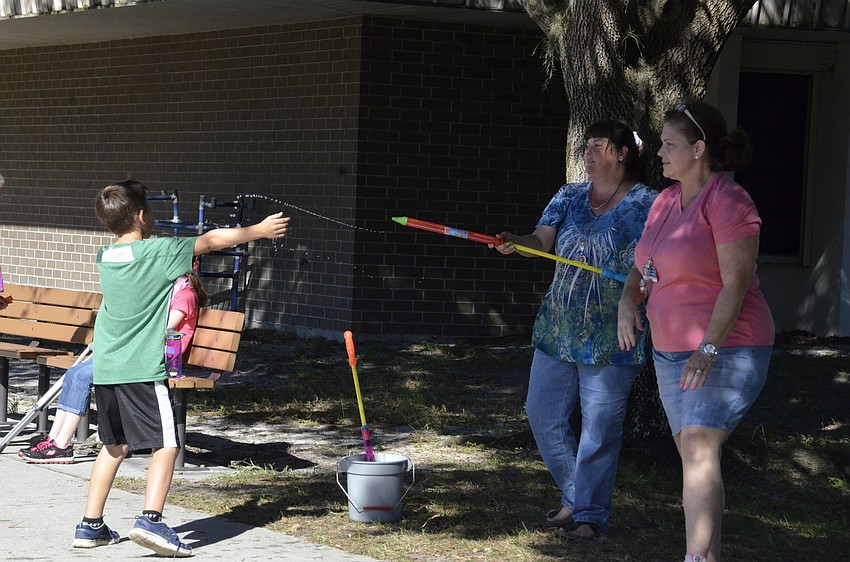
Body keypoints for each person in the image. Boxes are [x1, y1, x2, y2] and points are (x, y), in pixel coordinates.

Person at [72, 180, 289, 557]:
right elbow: (210, 240)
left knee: (114, 446)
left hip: (107, 369)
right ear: (142, 215)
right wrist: (258, 231)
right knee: (167, 444)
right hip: (142, 367)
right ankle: (151, 521)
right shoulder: (159, 251)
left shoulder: (104, 256)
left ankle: (91, 526)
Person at [617, 102, 774, 562]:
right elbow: (641, 268)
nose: (659, 153)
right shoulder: (665, 201)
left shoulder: (729, 200)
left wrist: (708, 347)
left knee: (701, 448)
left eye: (669, 144)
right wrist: (630, 299)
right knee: (694, 458)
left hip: (727, 347)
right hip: (670, 352)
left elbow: (737, 282)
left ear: (699, 148)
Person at [493, 120, 657, 539]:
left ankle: (590, 516)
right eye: (586, 145)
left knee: (599, 431)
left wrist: (634, 295)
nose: (588, 152)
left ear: (621, 154)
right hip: (558, 329)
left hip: (612, 335)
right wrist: (517, 241)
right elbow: (541, 240)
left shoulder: (649, 204)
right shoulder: (568, 195)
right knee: (542, 413)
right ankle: (578, 498)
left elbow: (657, 264)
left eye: (598, 146)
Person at [19, 272, 208, 464]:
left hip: (150, 355)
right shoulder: (171, 291)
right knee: (73, 373)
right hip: (132, 350)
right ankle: (54, 438)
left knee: (83, 377)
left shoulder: (185, 295)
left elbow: (160, 329)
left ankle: (63, 444)